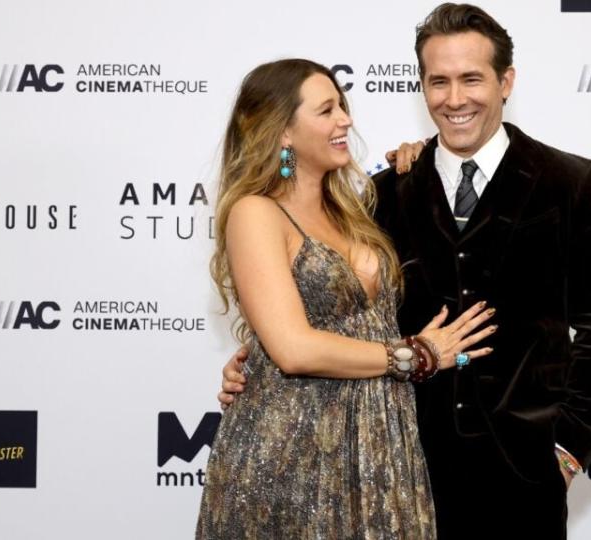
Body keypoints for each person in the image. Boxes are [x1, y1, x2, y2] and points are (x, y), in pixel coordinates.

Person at [219, 4, 591, 537]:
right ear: (422, 87)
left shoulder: (570, 181)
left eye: (471, 79)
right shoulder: (382, 194)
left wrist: (568, 450)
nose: (454, 99)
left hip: (524, 474)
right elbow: (329, 304)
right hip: (398, 466)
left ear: (506, 82)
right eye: (439, 82)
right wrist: (257, 357)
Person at [195, 58, 497, 539]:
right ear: (283, 132)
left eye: (343, 106)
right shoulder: (257, 213)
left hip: (381, 443)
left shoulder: (358, 207)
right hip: (294, 451)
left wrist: (421, 159)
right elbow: (293, 350)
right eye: (326, 110)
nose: (346, 120)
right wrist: (416, 355)